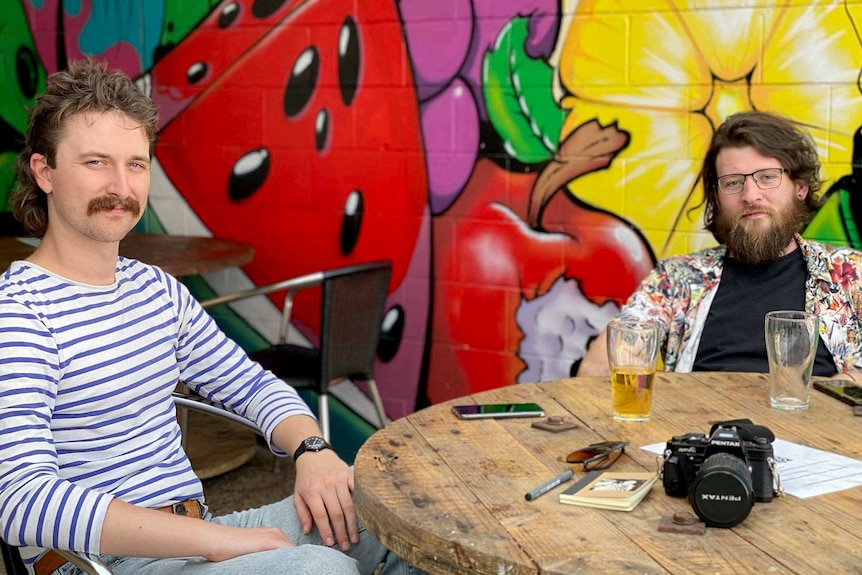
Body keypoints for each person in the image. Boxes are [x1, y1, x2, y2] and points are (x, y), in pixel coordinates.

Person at [0, 59, 422, 575]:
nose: (122, 185)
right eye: (95, 162)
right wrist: (216, 541)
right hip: (100, 563)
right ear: (45, 171)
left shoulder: (157, 291)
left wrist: (313, 451)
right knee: (317, 569)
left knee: (398, 514)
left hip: (197, 534)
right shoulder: (20, 314)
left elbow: (253, 386)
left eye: (136, 163)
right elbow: (21, 499)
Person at [578, 110, 862, 380]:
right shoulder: (677, 279)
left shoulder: (850, 275)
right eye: (733, 182)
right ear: (716, 197)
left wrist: (842, 385)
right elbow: (597, 371)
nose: (751, 195)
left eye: (767, 177)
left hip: (810, 427)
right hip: (700, 426)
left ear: (800, 187)